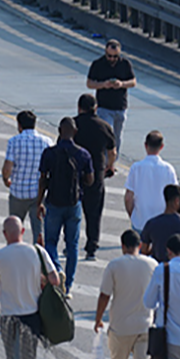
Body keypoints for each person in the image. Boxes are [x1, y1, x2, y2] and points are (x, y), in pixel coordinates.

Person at [0, 216, 61, 359]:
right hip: (32, 316)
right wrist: (40, 277)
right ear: (23, 231)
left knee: (12, 357)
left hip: (9, 317)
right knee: (29, 356)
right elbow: (55, 280)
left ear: (4, 234)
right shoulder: (37, 251)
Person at [36, 116, 94, 296]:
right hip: (74, 203)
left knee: (51, 241)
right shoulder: (83, 154)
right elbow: (90, 180)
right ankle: (68, 285)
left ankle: (56, 267)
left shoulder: (49, 153)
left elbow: (43, 180)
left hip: (53, 202)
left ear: (59, 131)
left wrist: (39, 202)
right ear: (75, 132)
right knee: (72, 245)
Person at [94, 229, 158, 359]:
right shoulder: (152, 265)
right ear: (140, 245)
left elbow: (104, 296)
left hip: (121, 328)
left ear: (122, 246)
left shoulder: (114, 265)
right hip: (145, 326)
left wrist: (98, 319)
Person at [72, 94, 116, 262]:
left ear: (79, 107)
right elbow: (112, 152)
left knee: (72, 211)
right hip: (96, 175)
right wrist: (109, 166)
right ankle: (91, 248)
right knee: (94, 213)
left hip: (74, 174)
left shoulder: (73, 124)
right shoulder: (104, 126)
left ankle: (71, 245)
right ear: (95, 107)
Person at [3, 110, 51, 244]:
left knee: (15, 229)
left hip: (18, 192)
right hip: (38, 194)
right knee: (38, 230)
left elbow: (8, 167)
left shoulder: (14, 141)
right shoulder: (46, 141)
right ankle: (39, 256)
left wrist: (6, 179)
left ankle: (15, 254)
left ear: (19, 125)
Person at [87, 39, 136, 150]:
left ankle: (113, 162)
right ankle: (104, 161)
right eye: (109, 56)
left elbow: (133, 81)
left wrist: (122, 84)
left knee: (117, 137)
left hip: (120, 106)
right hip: (104, 106)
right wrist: (103, 84)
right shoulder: (98, 64)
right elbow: (89, 83)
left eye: (115, 56)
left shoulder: (125, 64)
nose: (112, 59)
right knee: (106, 134)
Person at [125, 130, 178, 231]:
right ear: (161, 146)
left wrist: (133, 215)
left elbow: (129, 197)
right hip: (163, 223)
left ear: (145, 145)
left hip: (140, 222)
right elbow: (175, 196)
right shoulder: (168, 169)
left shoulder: (136, 168)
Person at [140, 184, 180, 263]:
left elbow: (144, 251)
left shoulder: (151, 223)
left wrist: (155, 249)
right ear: (177, 201)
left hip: (159, 268)